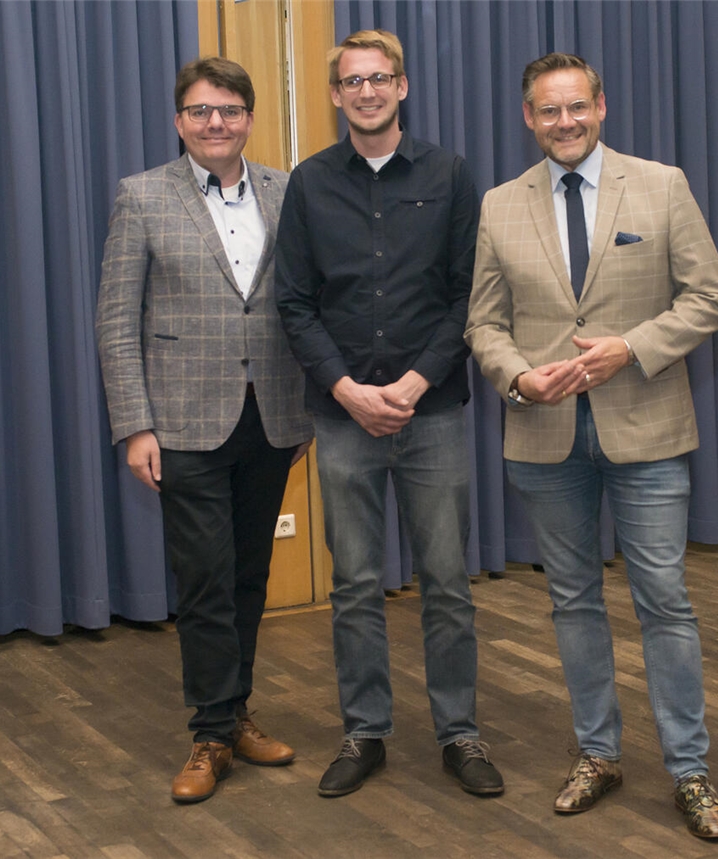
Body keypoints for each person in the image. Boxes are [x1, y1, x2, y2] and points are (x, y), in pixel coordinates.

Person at [465, 52, 718, 840]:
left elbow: (710, 297)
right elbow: (483, 322)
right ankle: (598, 753)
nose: (565, 122)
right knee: (573, 600)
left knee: (665, 602)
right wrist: (517, 379)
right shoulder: (497, 206)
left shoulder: (661, 184)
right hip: (544, 437)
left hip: (647, 425)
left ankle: (689, 769)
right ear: (528, 118)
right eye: (549, 112)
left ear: (602, 106)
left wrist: (632, 348)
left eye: (577, 107)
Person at [274, 29, 502, 799]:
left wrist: (412, 383)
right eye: (351, 82)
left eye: (379, 79)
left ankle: (459, 733)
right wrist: (345, 390)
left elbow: (467, 294)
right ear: (336, 95)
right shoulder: (308, 185)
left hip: (431, 412)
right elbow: (295, 303)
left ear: (402, 86)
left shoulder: (449, 174)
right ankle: (365, 731)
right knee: (356, 584)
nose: (366, 92)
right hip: (342, 419)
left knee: (446, 582)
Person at [96, 57, 312, 803]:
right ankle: (211, 732)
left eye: (228, 109)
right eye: (199, 111)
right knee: (205, 579)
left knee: (249, 575)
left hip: (274, 415)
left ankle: (237, 709)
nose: (214, 122)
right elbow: (117, 321)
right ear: (179, 120)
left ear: (250, 117)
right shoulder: (142, 195)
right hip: (182, 422)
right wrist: (135, 425)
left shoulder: (290, 191)